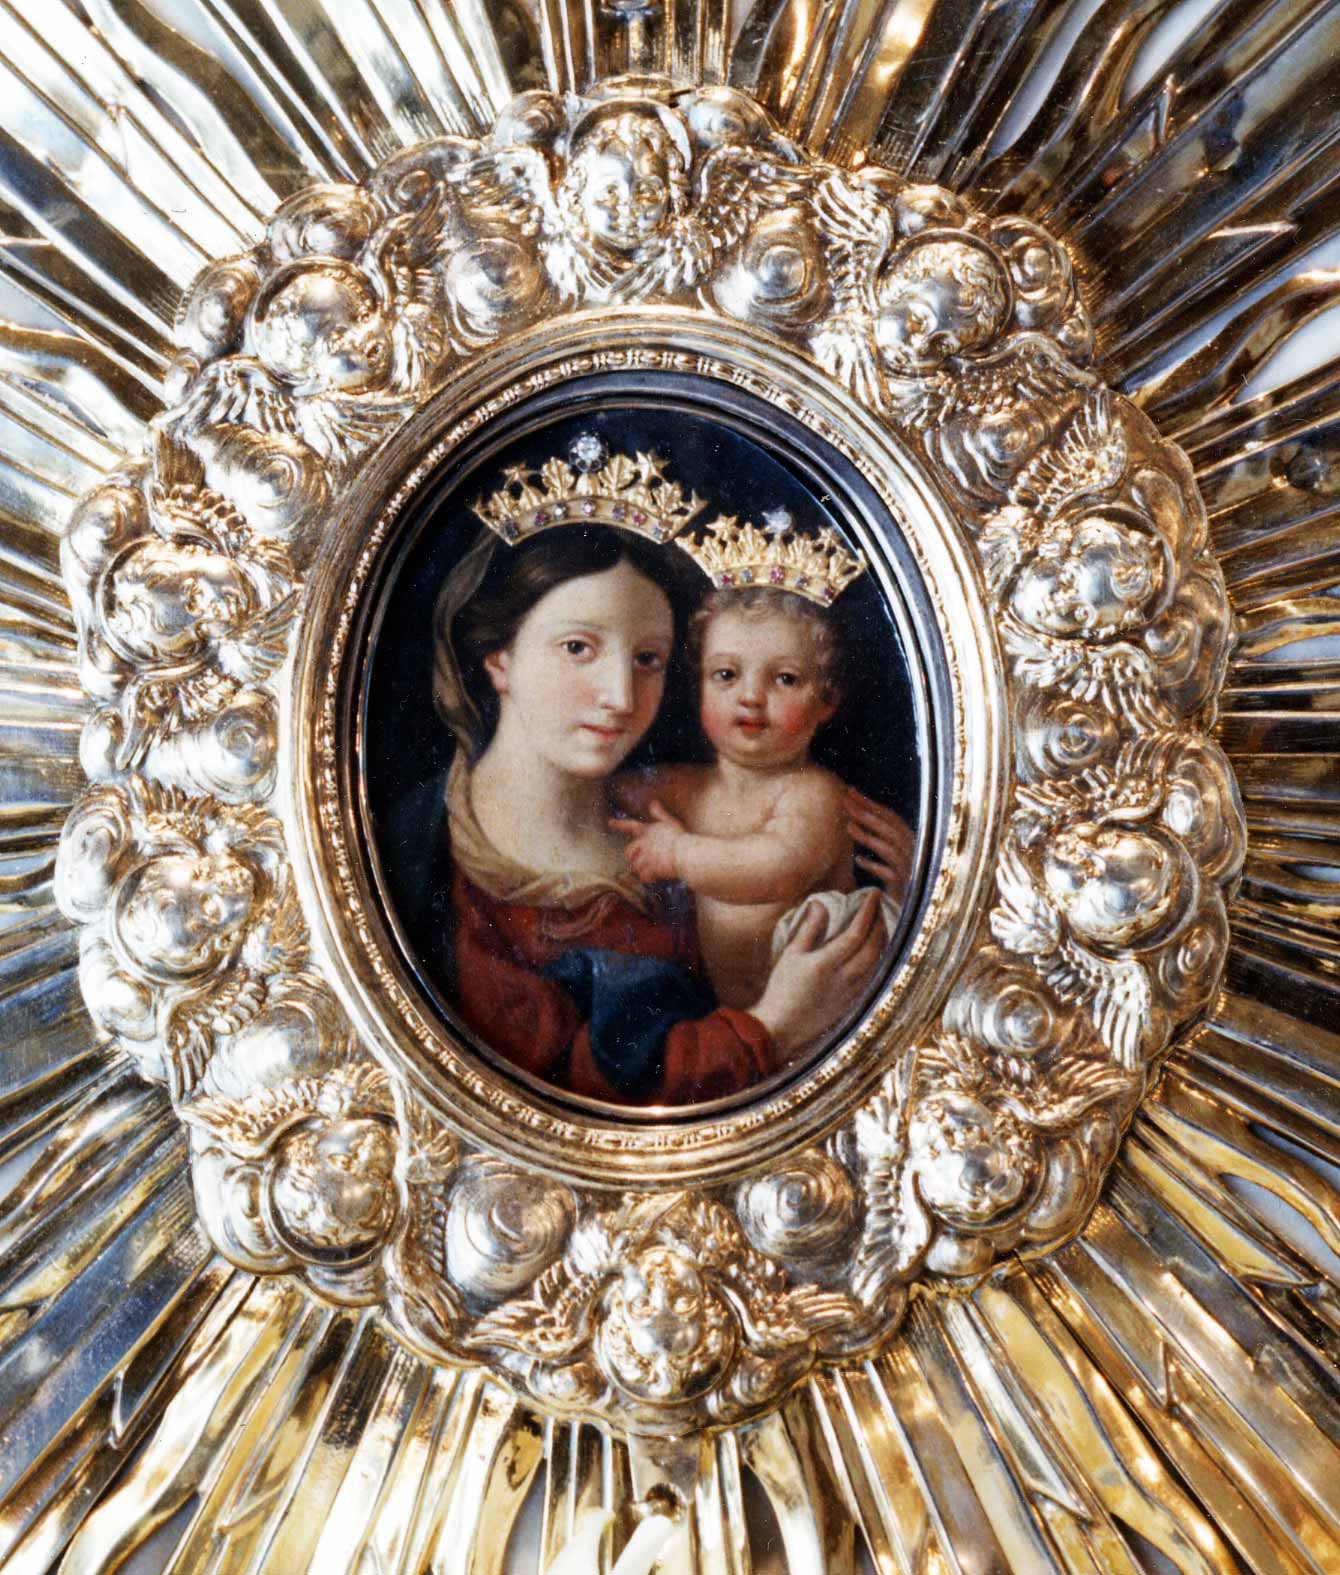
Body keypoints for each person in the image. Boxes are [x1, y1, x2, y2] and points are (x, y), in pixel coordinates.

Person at [401, 522, 888, 1107]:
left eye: (648, 659)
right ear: (499, 659)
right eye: (578, 648)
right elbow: (550, 1096)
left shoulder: (672, 817)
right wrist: (774, 1026)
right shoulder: (427, 857)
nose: (622, 697)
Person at [612, 586, 885, 1011]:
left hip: (820, 1011)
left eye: (785, 679)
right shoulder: (688, 787)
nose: (752, 696)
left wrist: (679, 854)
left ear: (826, 700)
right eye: (726, 675)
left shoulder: (815, 794)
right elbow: (606, 792)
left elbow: (776, 867)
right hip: (729, 1013)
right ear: (700, 686)